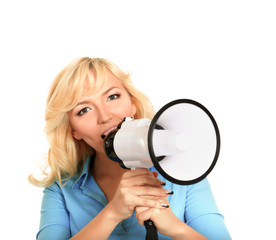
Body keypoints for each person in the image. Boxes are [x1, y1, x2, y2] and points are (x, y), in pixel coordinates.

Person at [29, 57, 231, 240]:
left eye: (112, 97)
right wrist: (112, 213)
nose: (105, 116)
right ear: (74, 131)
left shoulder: (183, 171)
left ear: (132, 104)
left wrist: (175, 228)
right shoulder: (62, 187)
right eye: (84, 110)